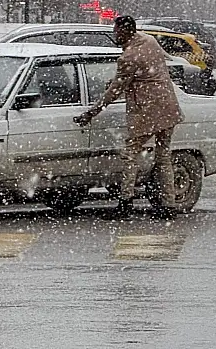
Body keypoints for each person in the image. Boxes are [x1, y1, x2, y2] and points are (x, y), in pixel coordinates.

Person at [75, 15, 183, 215]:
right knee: (163, 156)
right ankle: (169, 204)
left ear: (126, 32)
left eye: (117, 31)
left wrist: (91, 113)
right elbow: (148, 71)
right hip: (168, 106)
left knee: (130, 154)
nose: (114, 35)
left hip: (147, 110)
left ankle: (125, 202)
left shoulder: (130, 57)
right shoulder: (149, 41)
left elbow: (115, 90)